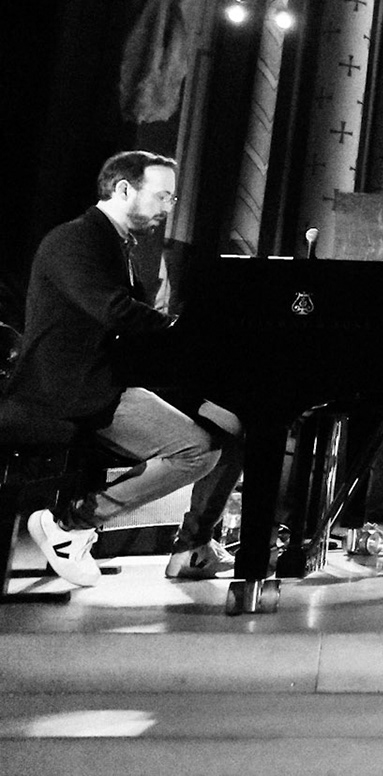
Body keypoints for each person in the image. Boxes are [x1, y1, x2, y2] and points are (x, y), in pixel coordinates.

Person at [2, 151, 243, 586]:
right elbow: (114, 312)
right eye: (162, 196)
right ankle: (70, 527)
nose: (168, 209)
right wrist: (180, 329)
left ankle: (193, 546)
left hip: (110, 378)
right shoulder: (74, 239)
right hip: (68, 389)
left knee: (235, 425)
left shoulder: (113, 242)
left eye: (172, 199)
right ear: (123, 189)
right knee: (196, 451)